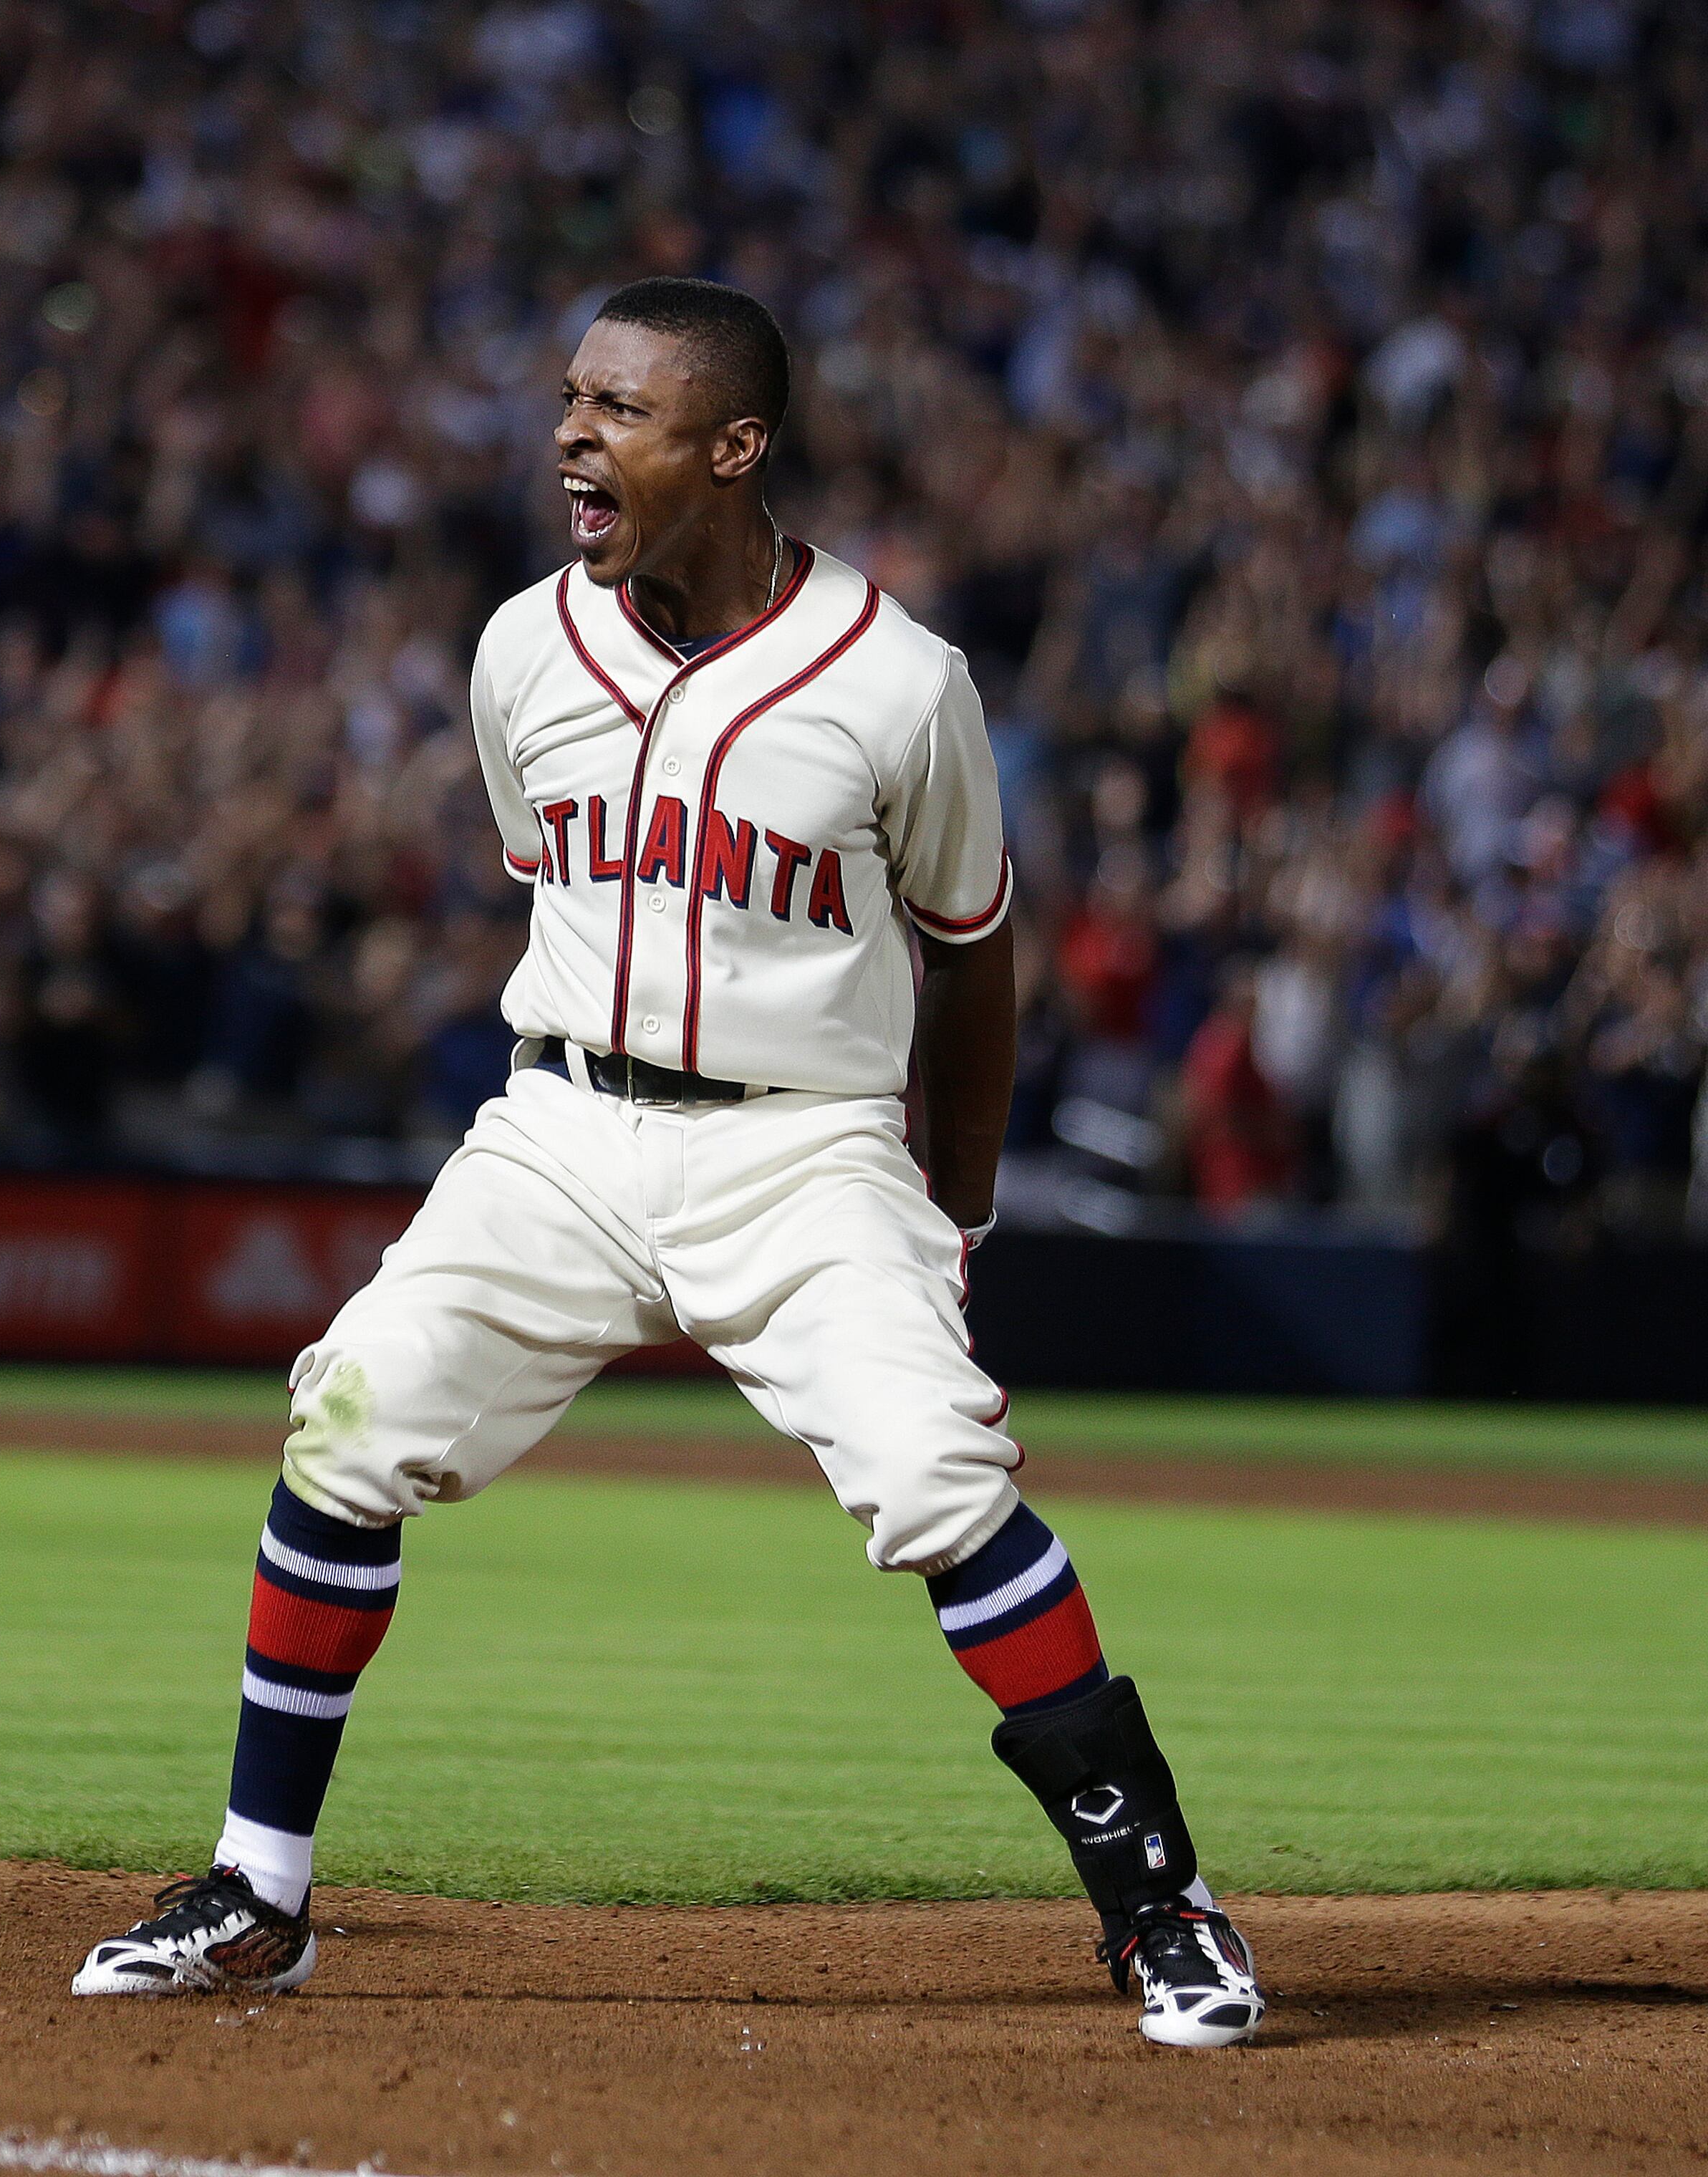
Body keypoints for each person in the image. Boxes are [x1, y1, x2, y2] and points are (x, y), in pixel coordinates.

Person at [71, 279, 1266, 2049]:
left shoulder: (894, 680)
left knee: (943, 1480)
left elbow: (972, 953)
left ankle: (1160, 1902)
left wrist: (958, 1208)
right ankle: (258, 1891)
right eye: (570, 396)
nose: (572, 430)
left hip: (802, 1149)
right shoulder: (519, 648)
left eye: (620, 407)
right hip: (557, 1127)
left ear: (731, 445)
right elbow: (543, 869)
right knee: (348, 1419)